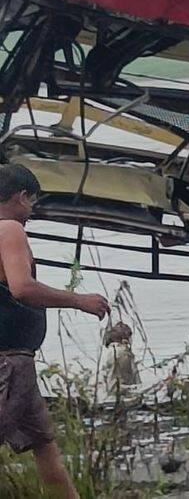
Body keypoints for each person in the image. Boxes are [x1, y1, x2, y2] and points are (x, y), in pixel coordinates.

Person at [0, 164, 110, 499]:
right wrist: (78, 300)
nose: (31, 211)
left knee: (44, 445)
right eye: (31, 203)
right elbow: (21, 288)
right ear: (21, 197)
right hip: (9, 360)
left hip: (20, 359)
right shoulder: (9, 229)